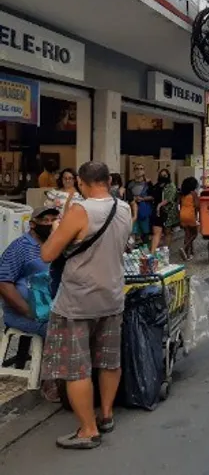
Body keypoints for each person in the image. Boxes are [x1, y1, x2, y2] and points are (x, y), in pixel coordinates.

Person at [40, 161, 132, 449]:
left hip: (78, 301)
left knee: (75, 366)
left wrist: (57, 227)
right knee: (108, 359)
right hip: (113, 296)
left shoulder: (80, 211)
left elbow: (47, 254)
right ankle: (106, 415)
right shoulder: (124, 208)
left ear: (81, 182)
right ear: (107, 180)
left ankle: (88, 430)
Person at [0, 206, 60, 401]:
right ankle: (48, 380)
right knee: (55, 329)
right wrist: (27, 311)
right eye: (45, 220)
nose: (50, 223)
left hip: (50, 306)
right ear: (33, 225)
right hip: (22, 313)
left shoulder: (55, 245)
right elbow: (3, 282)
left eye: (53, 219)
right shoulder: (20, 247)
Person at [150, 168, 178, 255]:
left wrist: (160, 205)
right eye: (161, 175)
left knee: (167, 232)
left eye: (165, 175)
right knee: (157, 231)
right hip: (157, 212)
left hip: (167, 212)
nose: (163, 177)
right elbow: (153, 195)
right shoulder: (157, 185)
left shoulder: (171, 186)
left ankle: (166, 251)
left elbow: (169, 198)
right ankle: (153, 252)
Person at [126, 164, 153, 245]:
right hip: (132, 210)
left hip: (144, 210)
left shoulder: (148, 183)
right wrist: (132, 198)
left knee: (145, 232)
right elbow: (125, 194)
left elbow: (153, 196)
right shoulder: (129, 183)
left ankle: (146, 252)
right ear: (134, 171)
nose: (139, 170)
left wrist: (143, 199)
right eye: (137, 169)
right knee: (133, 231)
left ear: (144, 171)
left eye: (141, 168)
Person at [179, 177, 199, 261]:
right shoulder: (193, 193)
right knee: (194, 234)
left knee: (187, 234)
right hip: (190, 215)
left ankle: (188, 253)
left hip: (182, 214)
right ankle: (184, 248)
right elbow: (197, 205)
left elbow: (179, 204)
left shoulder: (182, 194)